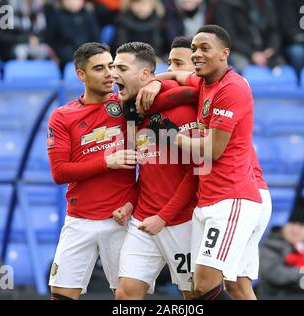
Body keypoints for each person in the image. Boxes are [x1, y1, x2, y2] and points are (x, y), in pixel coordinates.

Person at [143, 25, 266, 300]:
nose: (197, 54)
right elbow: (175, 74)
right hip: (208, 199)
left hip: (231, 199)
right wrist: (152, 82)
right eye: (195, 49)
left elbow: (213, 149)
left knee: (207, 283)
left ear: (225, 54)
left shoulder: (232, 88)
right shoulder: (204, 82)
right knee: (209, 286)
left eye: (204, 49)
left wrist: (173, 138)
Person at [47, 42, 139, 300]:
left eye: (111, 66)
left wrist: (131, 203)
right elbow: (59, 172)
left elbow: (152, 169)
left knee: (127, 298)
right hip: (79, 220)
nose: (109, 73)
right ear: (81, 75)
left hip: (120, 220)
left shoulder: (128, 105)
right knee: (61, 296)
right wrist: (107, 162)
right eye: (99, 68)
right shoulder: (63, 116)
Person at [111, 42, 198, 300]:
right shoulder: (134, 118)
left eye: (121, 68)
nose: (113, 75)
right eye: (114, 67)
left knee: (193, 295)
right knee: (125, 294)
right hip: (143, 222)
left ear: (146, 75)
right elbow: (148, 173)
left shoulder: (182, 111)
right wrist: (130, 204)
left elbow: (197, 173)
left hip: (183, 222)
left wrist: (164, 217)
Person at [213, 0, 284, 72]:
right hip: (238, 51)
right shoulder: (225, 4)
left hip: (264, 50)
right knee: (242, 68)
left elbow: (274, 30)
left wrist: (272, 48)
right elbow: (230, 38)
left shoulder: (265, 3)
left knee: (281, 66)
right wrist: (252, 54)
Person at [46, 0, 100, 68]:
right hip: (65, 59)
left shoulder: (88, 16)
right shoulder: (57, 17)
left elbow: (96, 38)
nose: (73, 2)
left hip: (87, 55)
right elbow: (51, 40)